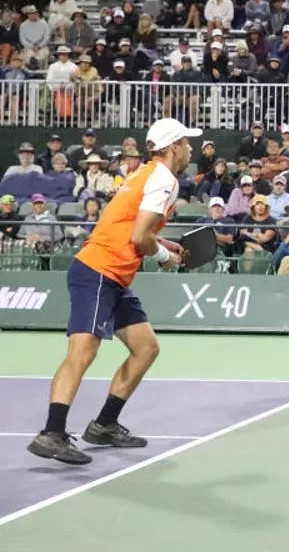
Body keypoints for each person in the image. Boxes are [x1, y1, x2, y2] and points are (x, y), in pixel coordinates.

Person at [27, 118, 201, 465]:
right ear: (172, 147)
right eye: (186, 142)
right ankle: (52, 432)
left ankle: (104, 425)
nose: (190, 148)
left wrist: (162, 242)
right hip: (98, 271)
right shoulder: (163, 179)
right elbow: (139, 237)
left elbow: (131, 227)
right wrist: (164, 255)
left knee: (146, 347)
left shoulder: (144, 173)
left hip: (114, 275)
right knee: (82, 351)